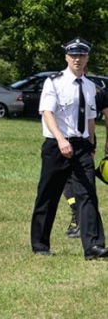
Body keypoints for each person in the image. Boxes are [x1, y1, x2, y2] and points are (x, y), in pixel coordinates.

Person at [30, 37, 108, 260]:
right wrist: (60, 139)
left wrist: (92, 144)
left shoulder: (91, 86)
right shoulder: (53, 82)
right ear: (66, 57)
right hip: (57, 145)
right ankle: (40, 245)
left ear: (87, 58)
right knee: (49, 195)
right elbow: (47, 113)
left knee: (88, 195)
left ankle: (93, 247)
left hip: (82, 146)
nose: (77, 59)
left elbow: (91, 118)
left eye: (81, 55)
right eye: (73, 55)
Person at [63, 82, 108, 237]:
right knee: (68, 179)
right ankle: (78, 215)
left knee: (80, 179)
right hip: (65, 138)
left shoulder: (95, 91)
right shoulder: (94, 89)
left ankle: (81, 219)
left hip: (84, 139)